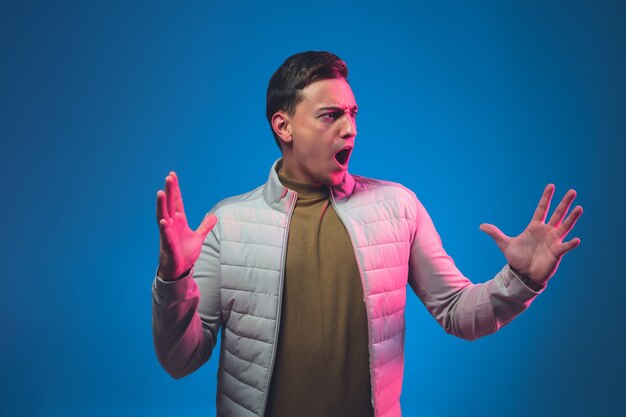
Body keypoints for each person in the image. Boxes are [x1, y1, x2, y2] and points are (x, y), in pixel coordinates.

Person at [152, 51, 582, 417]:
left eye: (353, 114)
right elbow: (180, 358)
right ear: (283, 127)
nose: (350, 128)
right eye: (331, 115)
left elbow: (457, 312)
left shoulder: (398, 207)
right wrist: (173, 280)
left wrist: (523, 280)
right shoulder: (228, 224)